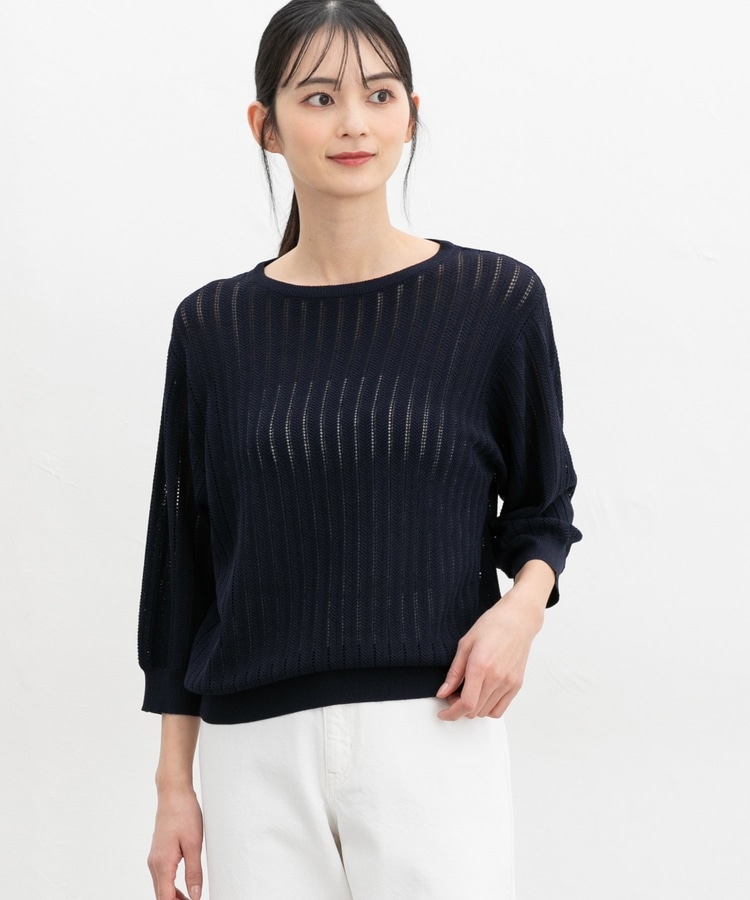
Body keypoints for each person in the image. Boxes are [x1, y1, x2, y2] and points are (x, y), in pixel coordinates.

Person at [137, 1, 582, 898]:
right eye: (319, 97)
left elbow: (543, 508)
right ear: (264, 126)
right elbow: (181, 566)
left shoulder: (494, 301)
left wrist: (521, 612)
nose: (354, 122)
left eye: (379, 95)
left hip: (434, 731)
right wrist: (173, 785)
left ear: (411, 114)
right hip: (253, 750)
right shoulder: (214, 326)